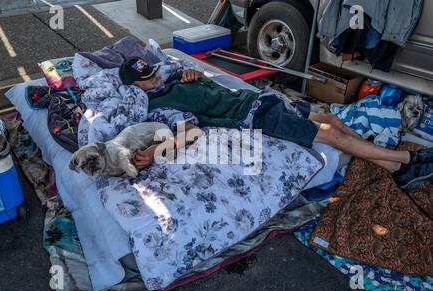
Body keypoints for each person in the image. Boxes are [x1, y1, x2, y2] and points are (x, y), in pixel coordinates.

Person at [118, 56, 433, 190]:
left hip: (263, 99)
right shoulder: (159, 105)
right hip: (255, 117)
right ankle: (406, 160)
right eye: (148, 78)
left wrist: (196, 74)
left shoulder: (170, 77)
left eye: (153, 71)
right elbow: (189, 131)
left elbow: (184, 72)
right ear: (136, 88)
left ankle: (392, 168)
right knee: (329, 133)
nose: (155, 77)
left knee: (329, 117)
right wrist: (160, 148)